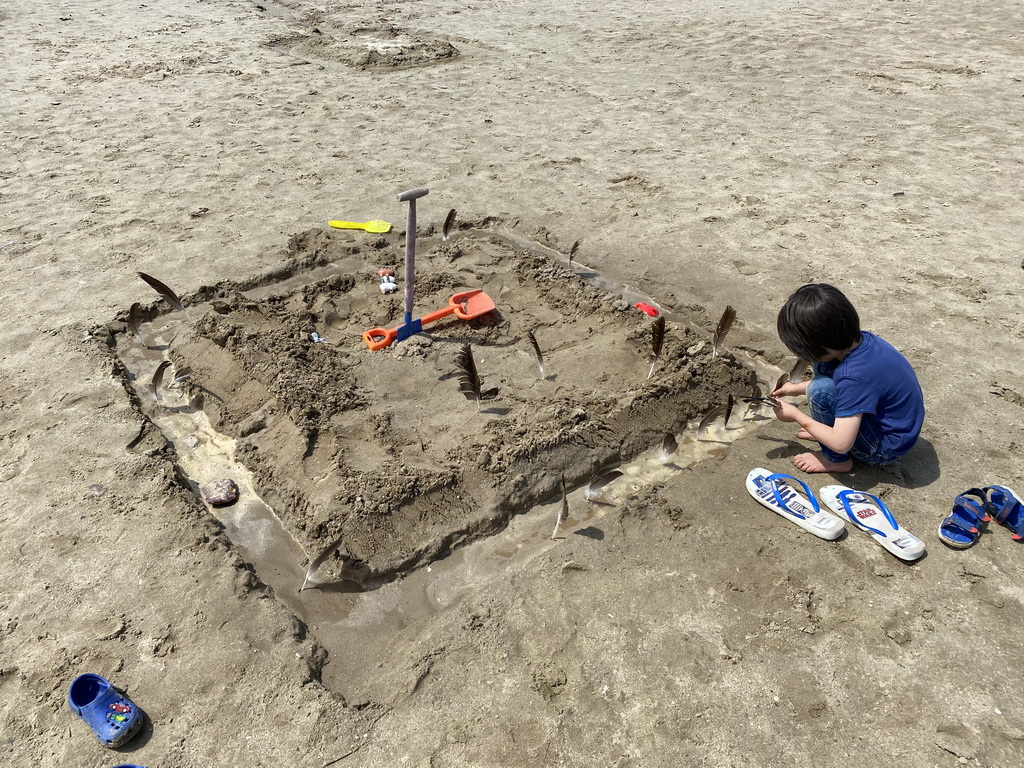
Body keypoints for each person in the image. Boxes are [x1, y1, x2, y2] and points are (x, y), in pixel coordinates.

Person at [770, 283, 925, 473]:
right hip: (892, 425)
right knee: (824, 365)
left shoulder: (853, 377)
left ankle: (835, 460)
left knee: (820, 391)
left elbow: (841, 443)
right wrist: (795, 388)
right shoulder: (862, 341)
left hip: (883, 449)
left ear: (820, 343)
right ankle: (829, 430)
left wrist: (795, 415)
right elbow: (847, 385)